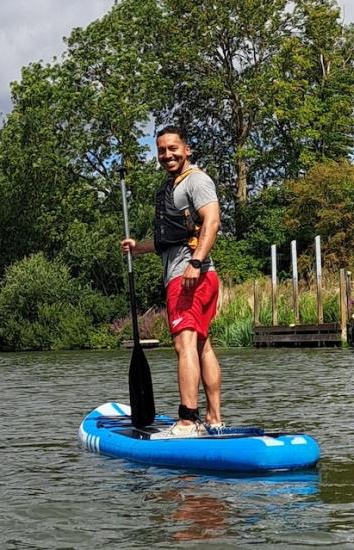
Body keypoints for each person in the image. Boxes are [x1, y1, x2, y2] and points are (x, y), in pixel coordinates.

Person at [121, 126, 224, 437]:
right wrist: (140, 248)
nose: (167, 155)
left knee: (184, 345)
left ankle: (188, 421)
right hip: (196, 274)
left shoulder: (196, 180)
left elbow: (213, 220)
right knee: (202, 346)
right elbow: (173, 238)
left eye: (173, 148)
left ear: (187, 149)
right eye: (162, 150)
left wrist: (195, 263)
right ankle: (215, 419)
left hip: (190, 276)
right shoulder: (173, 187)